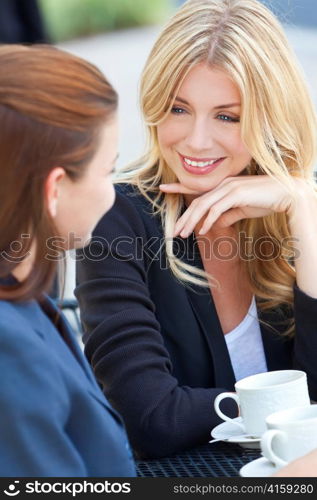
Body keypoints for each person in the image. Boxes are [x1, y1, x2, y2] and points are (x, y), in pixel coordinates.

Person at [75, 0, 317, 459]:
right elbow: (152, 418)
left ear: (271, 118)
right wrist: (290, 408)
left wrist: (304, 213)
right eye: (178, 108)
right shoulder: (116, 219)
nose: (196, 141)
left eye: (227, 116)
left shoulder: (298, 209)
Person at [0, 44, 135, 477]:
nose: (112, 191)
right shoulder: (10, 350)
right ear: (54, 187)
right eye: (108, 170)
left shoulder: (23, 294)